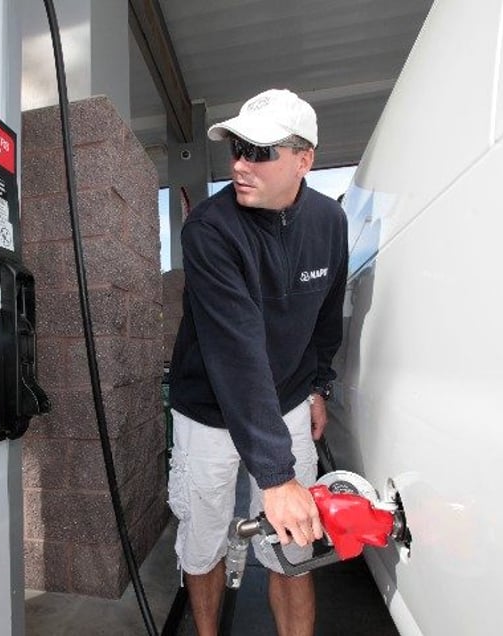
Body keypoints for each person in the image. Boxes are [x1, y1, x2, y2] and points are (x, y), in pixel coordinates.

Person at [167, 88, 348, 636]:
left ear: (304, 159)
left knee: (292, 545)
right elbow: (236, 352)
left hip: (289, 401)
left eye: (259, 152)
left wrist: (318, 386)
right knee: (204, 541)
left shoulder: (329, 223)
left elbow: (326, 319)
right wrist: (275, 475)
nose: (240, 165)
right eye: (237, 148)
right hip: (209, 411)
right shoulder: (210, 230)